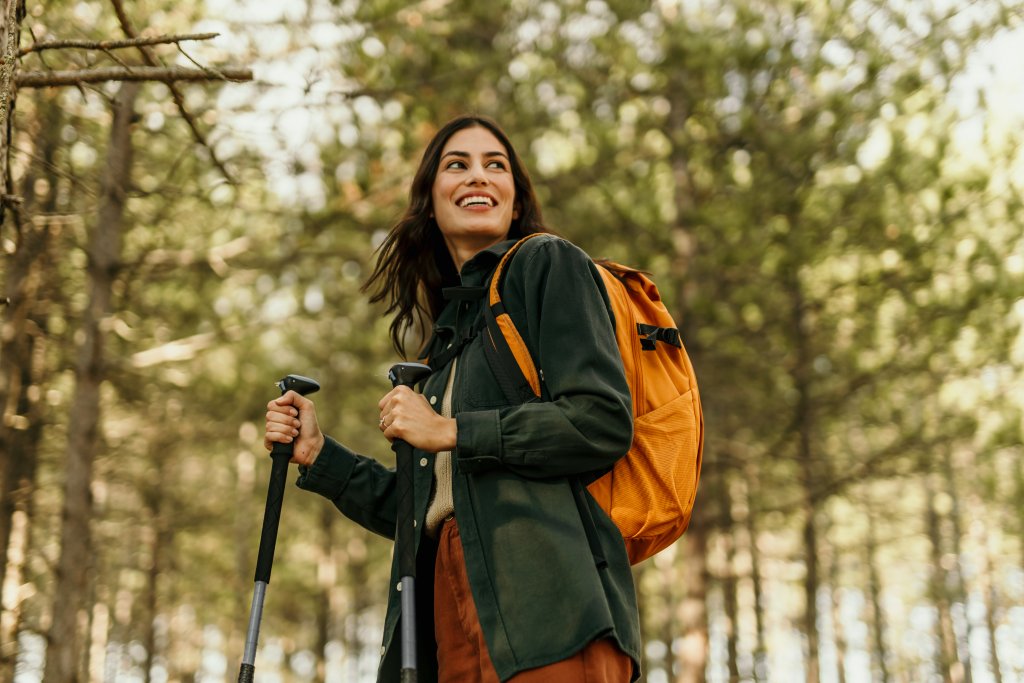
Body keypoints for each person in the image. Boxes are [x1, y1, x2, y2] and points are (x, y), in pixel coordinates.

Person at [264, 115, 640, 682]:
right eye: (457, 164)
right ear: (431, 203)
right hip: (446, 607)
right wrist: (319, 454)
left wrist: (453, 430)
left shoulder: (546, 263)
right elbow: (425, 507)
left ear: (515, 201)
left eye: (496, 165)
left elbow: (602, 420)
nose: (478, 176)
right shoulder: (444, 341)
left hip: (549, 606)